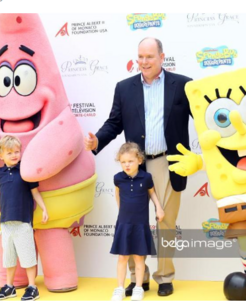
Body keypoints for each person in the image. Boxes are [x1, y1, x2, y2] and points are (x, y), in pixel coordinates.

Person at [84, 37, 192, 296]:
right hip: (135, 167)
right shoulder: (124, 88)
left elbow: (204, 115)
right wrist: (97, 140)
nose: (143, 62)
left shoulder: (184, 85)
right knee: (132, 222)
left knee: (165, 222)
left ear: (162, 57)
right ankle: (137, 279)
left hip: (168, 162)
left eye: (149, 57)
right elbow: (114, 123)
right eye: (140, 56)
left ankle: (165, 277)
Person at [0, 135, 49, 301]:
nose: (15, 155)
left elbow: (35, 192)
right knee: (8, 257)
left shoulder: (25, 170)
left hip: (23, 221)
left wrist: (44, 208)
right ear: (1, 155)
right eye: (10, 153)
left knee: (27, 255)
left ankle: (32, 287)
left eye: (17, 151)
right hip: (5, 222)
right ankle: (9, 287)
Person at [110, 142, 164, 301]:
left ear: (139, 160)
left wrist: (158, 208)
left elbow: (152, 194)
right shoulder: (118, 178)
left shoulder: (146, 177)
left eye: (130, 161)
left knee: (139, 258)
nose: (126, 165)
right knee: (122, 257)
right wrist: (122, 212)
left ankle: (139, 287)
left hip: (140, 224)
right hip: (124, 224)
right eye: (123, 162)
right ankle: (119, 287)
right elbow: (117, 195)